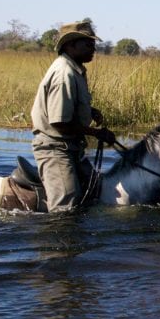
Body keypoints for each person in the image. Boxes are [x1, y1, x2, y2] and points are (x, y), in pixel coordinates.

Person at [30, 20, 116, 212]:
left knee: (96, 189)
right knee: (67, 207)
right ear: (70, 45)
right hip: (55, 149)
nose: (93, 48)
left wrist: (90, 111)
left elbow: (69, 107)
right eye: (88, 44)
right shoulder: (64, 74)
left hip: (71, 147)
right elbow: (59, 122)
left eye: (93, 44)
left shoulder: (75, 70)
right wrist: (96, 133)